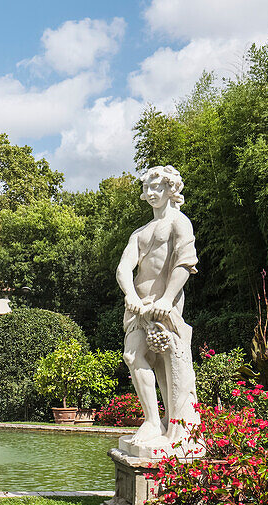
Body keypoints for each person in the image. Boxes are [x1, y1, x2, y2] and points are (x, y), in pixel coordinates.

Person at [114, 165, 201, 455]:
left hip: (166, 305)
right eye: (148, 188)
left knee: (169, 366)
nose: (152, 193)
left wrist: (167, 298)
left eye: (158, 188)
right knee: (132, 355)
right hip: (139, 307)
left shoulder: (179, 222)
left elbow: (185, 263)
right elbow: (124, 268)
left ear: (170, 189)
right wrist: (130, 295)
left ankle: (175, 426)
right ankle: (152, 421)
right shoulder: (140, 232)